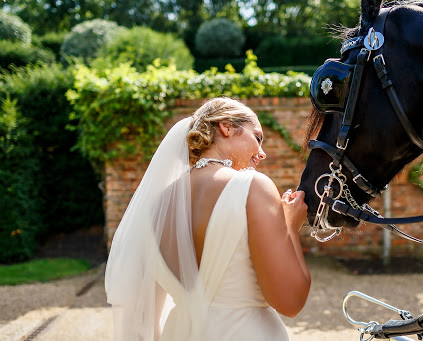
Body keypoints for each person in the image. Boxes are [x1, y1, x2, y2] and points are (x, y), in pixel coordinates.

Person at [105, 97, 311, 340]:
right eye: (257, 138)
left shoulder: (156, 207)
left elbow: (145, 314)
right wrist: (288, 227)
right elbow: (291, 301)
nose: (262, 153)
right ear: (227, 127)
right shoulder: (253, 186)